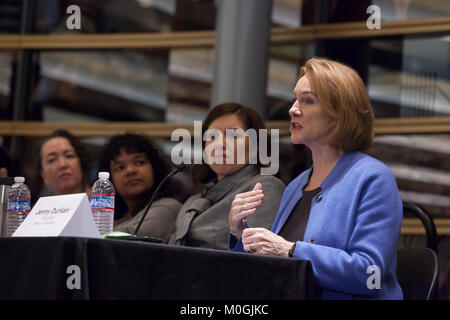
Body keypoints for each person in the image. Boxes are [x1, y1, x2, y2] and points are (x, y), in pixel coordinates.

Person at [229, 57, 403, 300]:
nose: (292, 109)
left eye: (308, 100)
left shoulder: (373, 178)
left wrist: (289, 250)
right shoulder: (296, 186)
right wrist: (240, 236)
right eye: (294, 99)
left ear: (340, 114)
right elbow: (270, 270)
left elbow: (369, 274)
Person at [169, 102, 285, 250]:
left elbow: (255, 254)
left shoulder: (264, 187)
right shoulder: (194, 200)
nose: (219, 144)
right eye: (212, 136)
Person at [98, 133, 181, 243]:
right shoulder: (116, 218)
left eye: (139, 162)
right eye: (120, 167)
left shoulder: (168, 208)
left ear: (155, 168)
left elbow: (126, 241)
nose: (130, 171)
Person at [37, 129, 91, 196]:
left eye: (69, 156)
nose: (62, 165)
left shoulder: (103, 204)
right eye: (52, 160)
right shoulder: (40, 206)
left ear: (82, 162)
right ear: (43, 175)